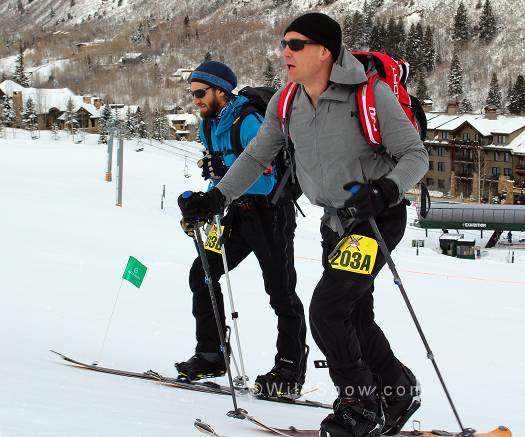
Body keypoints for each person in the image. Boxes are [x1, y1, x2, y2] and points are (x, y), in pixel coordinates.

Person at [178, 14, 429, 437]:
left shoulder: (371, 94)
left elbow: (415, 156)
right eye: (283, 43)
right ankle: (397, 390)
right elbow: (257, 157)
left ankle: (359, 404)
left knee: (327, 310)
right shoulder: (287, 101)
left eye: (296, 44)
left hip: (375, 218)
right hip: (335, 223)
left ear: (324, 51)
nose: (286, 52)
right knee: (355, 318)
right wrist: (217, 196)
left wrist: (385, 190)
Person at [176, 61, 308, 399]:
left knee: (281, 292)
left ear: (221, 90)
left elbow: (266, 179)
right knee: (202, 273)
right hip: (235, 212)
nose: (195, 100)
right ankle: (211, 354)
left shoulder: (248, 120)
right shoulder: (208, 126)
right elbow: (221, 176)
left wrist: (222, 168)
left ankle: (290, 369)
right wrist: (204, 205)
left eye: (200, 93)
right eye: (192, 94)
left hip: (269, 213)